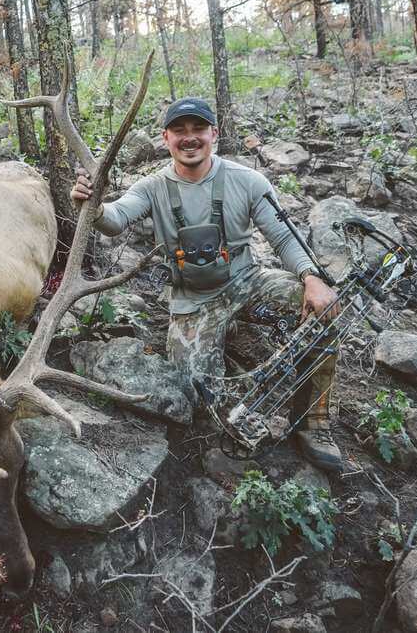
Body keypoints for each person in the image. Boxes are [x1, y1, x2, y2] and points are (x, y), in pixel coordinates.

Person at [72, 97, 343, 472]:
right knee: (196, 394)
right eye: (179, 130)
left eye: (198, 128)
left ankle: (313, 422)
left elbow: (283, 237)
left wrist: (311, 277)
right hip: (192, 300)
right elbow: (116, 218)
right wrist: (96, 207)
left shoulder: (248, 181)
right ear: (165, 138)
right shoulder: (151, 188)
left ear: (214, 133)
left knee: (321, 310)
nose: (190, 138)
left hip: (247, 281)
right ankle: (228, 379)